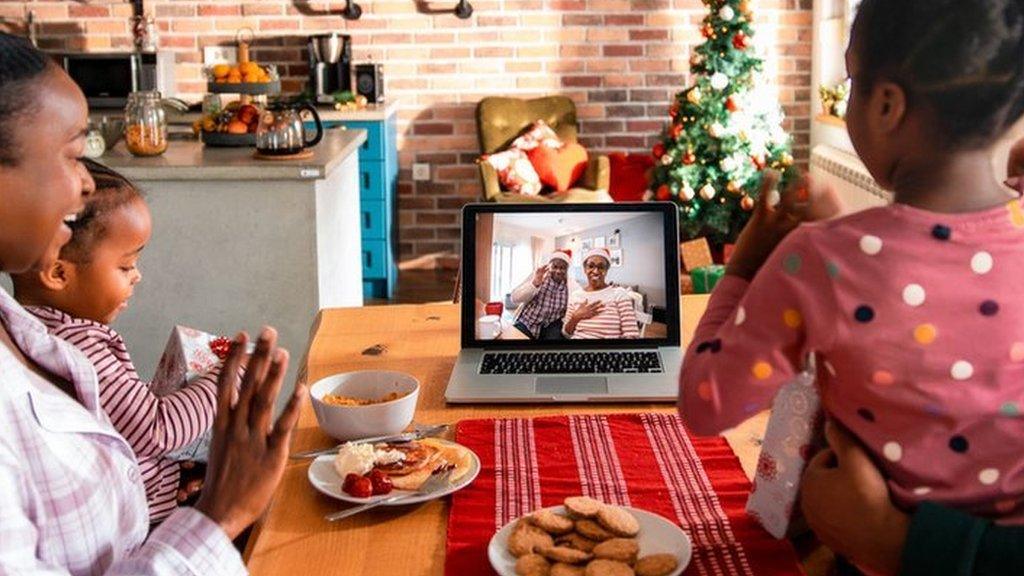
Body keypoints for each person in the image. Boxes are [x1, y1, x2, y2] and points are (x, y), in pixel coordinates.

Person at [678, 0, 1024, 566]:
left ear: (886, 104)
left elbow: (706, 402)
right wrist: (838, 229)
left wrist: (746, 264)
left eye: (852, 81)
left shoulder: (817, 260)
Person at [0, 31, 305, 574]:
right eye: (73, 155)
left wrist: (158, 488)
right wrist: (219, 516)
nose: (84, 188)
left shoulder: (24, 331)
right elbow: (152, 428)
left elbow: (112, 459)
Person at [9, 160, 220, 523]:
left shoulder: (32, 329)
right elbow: (159, 430)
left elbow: (130, 426)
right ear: (59, 272)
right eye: (125, 266)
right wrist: (222, 379)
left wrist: (170, 473)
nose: (137, 276)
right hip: (145, 529)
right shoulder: (78, 346)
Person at [563, 247, 640, 339]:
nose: (595, 271)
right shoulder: (575, 295)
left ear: (606, 270)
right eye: (591, 266)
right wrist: (576, 317)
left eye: (601, 267)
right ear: (584, 269)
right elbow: (566, 334)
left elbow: (632, 335)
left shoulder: (619, 294)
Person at [509, 249, 579, 339]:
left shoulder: (571, 286)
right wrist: (534, 284)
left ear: (567, 269)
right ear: (549, 266)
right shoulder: (538, 276)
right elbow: (514, 298)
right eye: (555, 267)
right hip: (528, 322)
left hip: (552, 325)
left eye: (562, 268)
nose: (558, 271)